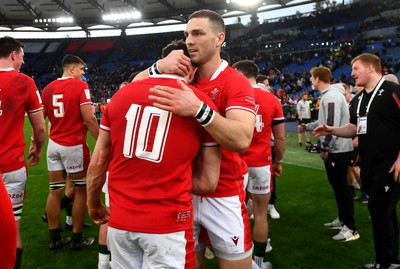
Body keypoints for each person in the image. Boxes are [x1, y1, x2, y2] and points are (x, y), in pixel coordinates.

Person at [86, 39, 221, 269]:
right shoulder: (201, 105)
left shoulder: (121, 95)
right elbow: (208, 182)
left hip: (121, 222)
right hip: (168, 224)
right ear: (192, 68)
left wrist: (94, 202)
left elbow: (98, 161)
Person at [140, 9, 257, 269]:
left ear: (219, 38)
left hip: (223, 194)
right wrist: (157, 67)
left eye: (198, 33)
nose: (189, 40)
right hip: (182, 193)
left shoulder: (235, 82)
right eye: (187, 34)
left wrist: (199, 110)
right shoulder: (182, 78)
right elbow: (130, 89)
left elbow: (241, 139)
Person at [314, 53, 400, 269]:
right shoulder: (359, 99)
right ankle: (390, 261)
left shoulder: (392, 91)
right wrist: (332, 129)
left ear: (370, 68)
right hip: (369, 165)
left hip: (390, 164)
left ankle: (384, 263)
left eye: (356, 68)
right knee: (386, 213)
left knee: (379, 212)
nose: (351, 74)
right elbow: (354, 128)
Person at [41, 54, 99, 250]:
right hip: (73, 145)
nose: (83, 74)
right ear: (72, 69)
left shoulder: (48, 88)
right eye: (81, 69)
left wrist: (35, 143)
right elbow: (89, 119)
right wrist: (102, 142)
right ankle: (77, 238)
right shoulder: (80, 86)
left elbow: (42, 119)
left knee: (55, 191)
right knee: (81, 191)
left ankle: (55, 239)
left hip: (53, 144)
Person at [233, 60, 285, 269]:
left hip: (236, 162)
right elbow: (280, 139)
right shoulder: (271, 99)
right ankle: (258, 262)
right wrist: (278, 161)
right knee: (261, 213)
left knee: (233, 212)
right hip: (261, 163)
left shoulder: (233, 96)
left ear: (240, 74)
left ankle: (225, 253)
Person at [0, 36, 46, 269]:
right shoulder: (24, 82)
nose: (22, 62)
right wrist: (37, 149)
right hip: (11, 165)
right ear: (14, 55)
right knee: (12, 230)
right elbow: (39, 127)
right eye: (22, 58)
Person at [299, 66, 359, 242]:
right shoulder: (330, 95)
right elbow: (325, 122)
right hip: (337, 148)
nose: (311, 81)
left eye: (312, 78)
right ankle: (343, 220)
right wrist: (309, 126)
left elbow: (330, 125)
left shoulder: (331, 96)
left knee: (342, 189)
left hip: (337, 149)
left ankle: (351, 228)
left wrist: (324, 148)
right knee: (339, 188)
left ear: (318, 78)